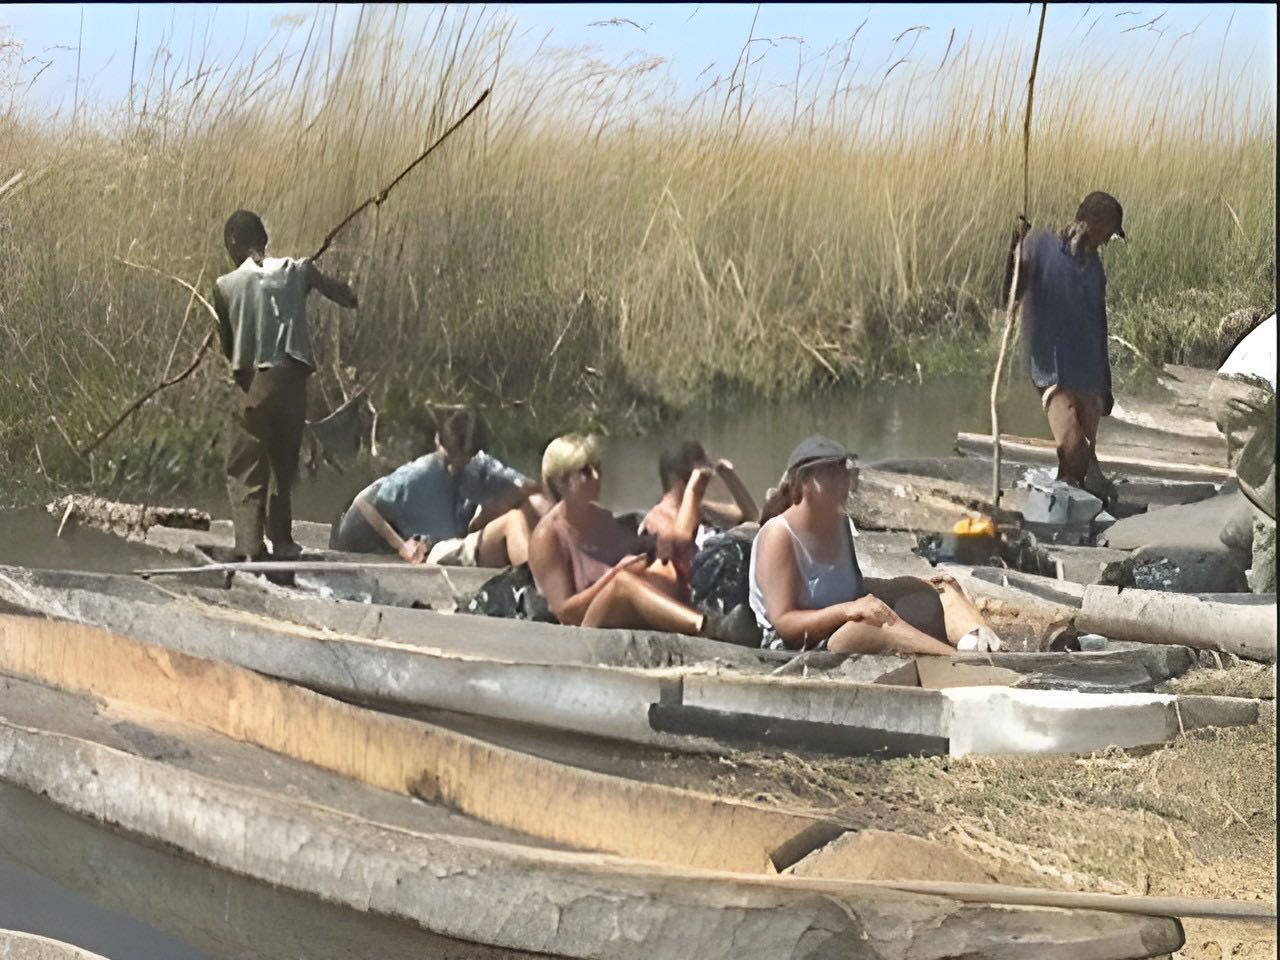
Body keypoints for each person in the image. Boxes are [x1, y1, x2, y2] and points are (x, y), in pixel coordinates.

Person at [749, 435, 1001, 655]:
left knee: (931, 591)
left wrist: (914, 584)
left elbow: (850, 589)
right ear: (804, 482)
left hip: (842, 625)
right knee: (874, 624)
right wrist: (848, 610)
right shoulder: (780, 535)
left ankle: (977, 643)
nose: (842, 485)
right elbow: (786, 624)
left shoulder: (841, 524)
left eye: (844, 475)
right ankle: (955, 660)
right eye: (831, 476)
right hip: (796, 649)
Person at [214, 209, 358, 561]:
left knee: (245, 464)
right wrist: (345, 293)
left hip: (255, 381)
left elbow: (229, 348)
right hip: (293, 382)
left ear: (233, 243)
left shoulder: (224, 286)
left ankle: (250, 547)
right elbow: (340, 293)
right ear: (264, 240)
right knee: (283, 462)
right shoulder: (297, 269)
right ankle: (283, 542)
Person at [527, 433, 758, 643]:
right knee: (622, 584)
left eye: (598, 468)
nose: (597, 477)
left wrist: (655, 547)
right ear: (560, 481)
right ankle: (709, 628)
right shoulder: (547, 536)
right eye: (585, 471)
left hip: (622, 613)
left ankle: (717, 617)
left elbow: (635, 553)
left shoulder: (602, 517)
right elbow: (565, 613)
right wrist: (615, 575)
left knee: (665, 568)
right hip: (582, 631)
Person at [1007, 192, 1126, 505]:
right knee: (1072, 444)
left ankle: (1072, 500)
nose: (1107, 240)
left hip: (1088, 374)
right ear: (1095, 222)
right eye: (1109, 231)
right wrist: (1015, 250)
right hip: (1052, 367)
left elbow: (1099, 324)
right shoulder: (1042, 247)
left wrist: (1105, 385)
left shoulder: (1094, 269)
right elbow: (1010, 292)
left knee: (1079, 456)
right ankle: (1086, 487)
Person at [330, 408, 546, 567]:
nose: (457, 465)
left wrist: (496, 509)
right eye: (453, 457)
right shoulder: (423, 471)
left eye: (465, 457)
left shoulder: (481, 467)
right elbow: (364, 503)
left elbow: (526, 486)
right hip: (363, 536)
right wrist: (400, 545)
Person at [1208, 313, 1276, 592]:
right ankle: (1265, 597)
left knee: (1264, 491)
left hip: (1236, 389)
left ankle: (1235, 543)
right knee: (1271, 510)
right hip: (1254, 394)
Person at [642, 440, 759, 550]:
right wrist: (694, 489)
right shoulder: (659, 515)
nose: (704, 482)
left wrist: (728, 476)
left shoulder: (702, 510)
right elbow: (681, 539)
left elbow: (751, 516)